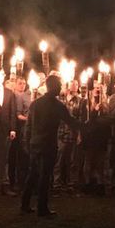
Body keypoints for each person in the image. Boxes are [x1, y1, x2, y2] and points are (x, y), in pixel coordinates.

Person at [22, 74, 82, 217]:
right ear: (54, 86)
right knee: (45, 175)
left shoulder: (36, 103)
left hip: (35, 143)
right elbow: (70, 121)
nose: (61, 87)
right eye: (59, 85)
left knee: (32, 174)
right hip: (48, 143)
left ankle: (24, 204)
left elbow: (28, 125)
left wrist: (27, 142)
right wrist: (88, 125)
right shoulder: (57, 105)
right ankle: (42, 208)